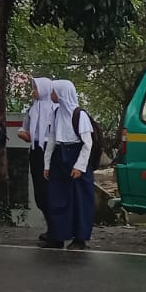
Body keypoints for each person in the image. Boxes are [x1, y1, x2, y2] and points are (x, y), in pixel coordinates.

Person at [41, 79, 95, 251]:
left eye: (54, 92)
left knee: (79, 200)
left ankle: (80, 239)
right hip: (59, 157)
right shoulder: (56, 113)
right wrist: (47, 164)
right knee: (57, 198)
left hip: (76, 157)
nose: (51, 95)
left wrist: (79, 166)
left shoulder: (80, 115)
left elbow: (88, 143)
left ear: (62, 93)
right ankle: (57, 236)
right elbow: (52, 139)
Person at [19, 77, 56, 239]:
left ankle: (56, 230)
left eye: (36, 88)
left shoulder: (56, 109)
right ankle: (51, 227)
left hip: (51, 151)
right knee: (40, 193)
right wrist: (23, 134)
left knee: (50, 191)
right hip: (35, 151)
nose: (33, 91)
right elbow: (24, 128)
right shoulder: (32, 109)